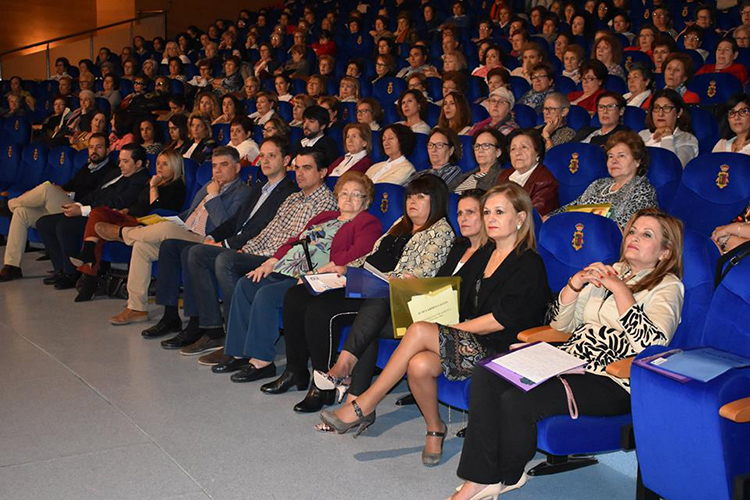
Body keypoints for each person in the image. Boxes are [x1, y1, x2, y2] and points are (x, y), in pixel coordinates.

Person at [451, 208, 685, 500]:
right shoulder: (613, 270)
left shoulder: (668, 287)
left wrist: (620, 289)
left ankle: (505, 476)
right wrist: (576, 284)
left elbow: (651, 344)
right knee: (488, 372)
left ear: (665, 252)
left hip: (612, 378)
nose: (634, 238)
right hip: (569, 359)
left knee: (517, 399)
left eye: (646, 235)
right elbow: (560, 325)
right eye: (633, 231)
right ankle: (479, 478)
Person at [319, 184, 550, 459]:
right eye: (487, 212)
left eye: (499, 212)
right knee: (418, 365)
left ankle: (365, 403)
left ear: (521, 218)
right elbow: (454, 296)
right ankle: (434, 428)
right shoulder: (485, 254)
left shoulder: (528, 263)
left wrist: (445, 330)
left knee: (419, 331)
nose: (491, 219)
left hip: (501, 348)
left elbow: (499, 321)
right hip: (469, 339)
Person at [274, 176, 455, 412]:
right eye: (410, 196)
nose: (412, 201)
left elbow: (419, 275)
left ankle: (323, 387)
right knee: (297, 295)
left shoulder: (440, 232)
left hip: (388, 294)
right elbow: (372, 254)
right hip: (365, 280)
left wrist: (362, 278)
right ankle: (295, 370)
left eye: (421, 197)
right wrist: (345, 269)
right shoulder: (401, 222)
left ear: (437, 200)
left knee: (321, 310)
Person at [158, 147, 337, 353]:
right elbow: (267, 232)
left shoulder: (325, 203)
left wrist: (258, 256)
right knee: (197, 253)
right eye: (297, 168)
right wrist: (244, 249)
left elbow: (301, 245)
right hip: (260, 251)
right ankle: (210, 328)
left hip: (280, 260)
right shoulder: (294, 198)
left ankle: (238, 335)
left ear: (322, 172)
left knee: (225, 260)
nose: (300, 173)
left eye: (307, 168)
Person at [219, 172, 382, 381]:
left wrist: (316, 271)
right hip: (287, 268)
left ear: (366, 202)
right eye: (344, 193)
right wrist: (271, 261)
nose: (348, 199)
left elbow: (358, 253)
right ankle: (238, 352)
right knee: (246, 284)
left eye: (356, 195)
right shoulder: (325, 217)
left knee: (266, 295)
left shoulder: (367, 222)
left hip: (315, 276)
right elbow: (294, 240)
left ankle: (262, 362)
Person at [142, 136, 297, 339]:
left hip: (252, 248)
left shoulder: (288, 193)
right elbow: (234, 222)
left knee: (194, 252)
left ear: (286, 160)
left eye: (272, 156)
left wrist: (223, 243)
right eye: (263, 156)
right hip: (235, 240)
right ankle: (172, 317)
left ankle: (209, 327)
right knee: (171, 246)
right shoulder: (259, 187)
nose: (265, 161)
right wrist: (212, 236)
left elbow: (261, 229)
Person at [97, 146, 252, 325]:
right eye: (214, 166)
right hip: (185, 231)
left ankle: (123, 233)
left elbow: (226, 226)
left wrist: (214, 197)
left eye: (223, 165)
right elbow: (190, 213)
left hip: (207, 240)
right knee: (143, 247)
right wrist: (173, 220)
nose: (217, 170)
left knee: (166, 230)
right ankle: (137, 308)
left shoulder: (243, 193)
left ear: (237, 168)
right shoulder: (209, 186)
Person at [69, 150, 186, 301]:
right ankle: (90, 255)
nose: (160, 167)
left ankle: (89, 274)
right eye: (158, 163)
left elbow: (155, 209)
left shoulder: (176, 186)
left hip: (146, 222)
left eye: (165, 164)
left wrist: (153, 187)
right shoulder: (153, 181)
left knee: (98, 223)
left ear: (175, 167)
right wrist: (125, 210)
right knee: (97, 214)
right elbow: (138, 203)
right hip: (131, 216)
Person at [0, 134, 116, 282]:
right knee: (21, 212)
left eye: (99, 147)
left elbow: (95, 196)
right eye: (91, 147)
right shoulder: (86, 167)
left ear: (108, 150)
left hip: (81, 211)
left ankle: (10, 203)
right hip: (66, 206)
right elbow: (71, 184)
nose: (94, 151)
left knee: (46, 188)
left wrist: (67, 193)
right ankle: (12, 266)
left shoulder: (111, 170)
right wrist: (61, 189)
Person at [35, 144, 151, 288]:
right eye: (120, 160)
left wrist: (83, 210)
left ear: (138, 163)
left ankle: (72, 273)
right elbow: (96, 193)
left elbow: (118, 202)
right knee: (44, 223)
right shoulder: (116, 173)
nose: (120, 164)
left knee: (65, 226)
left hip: (107, 218)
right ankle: (61, 269)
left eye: (125, 161)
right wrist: (78, 205)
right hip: (90, 210)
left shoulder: (140, 180)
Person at [548, 131, 659, 229]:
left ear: (637, 161)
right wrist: (549, 217)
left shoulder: (642, 191)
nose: (614, 161)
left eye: (621, 156)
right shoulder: (599, 184)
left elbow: (625, 229)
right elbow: (573, 207)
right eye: (610, 156)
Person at [495, 129, 559, 216]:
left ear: (537, 153)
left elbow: (532, 218)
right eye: (513, 149)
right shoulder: (504, 175)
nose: (517, 153)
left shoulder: (545, 181)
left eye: (524, 147)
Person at [639, 89, 699, 168]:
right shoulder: (642, 135)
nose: (660, 113)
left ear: (679, 112)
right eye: (656, 108)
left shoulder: (687, 140)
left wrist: (667, 137)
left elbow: (674, 169)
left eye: (666, 108)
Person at [290, 105, 339, 170]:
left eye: (311, 121)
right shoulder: (299, 142)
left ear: (322, 126)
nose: (306, 125)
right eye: (304, 121)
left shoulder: (328, 145)